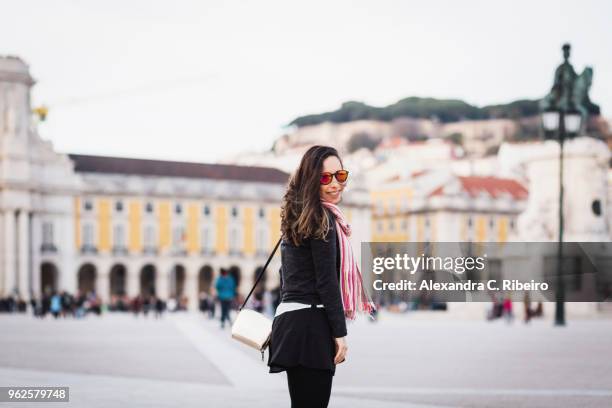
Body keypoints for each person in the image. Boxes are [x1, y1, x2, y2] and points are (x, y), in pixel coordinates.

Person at [267, 145, 376, 408]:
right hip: (312, 327)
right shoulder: (322, 218)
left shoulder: (298, 216)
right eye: (325, 178)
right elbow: (327, 281)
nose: (335, 184)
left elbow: (286, 276)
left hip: (291, 324)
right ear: (311, 179)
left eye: (340, 175)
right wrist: (339, 333)